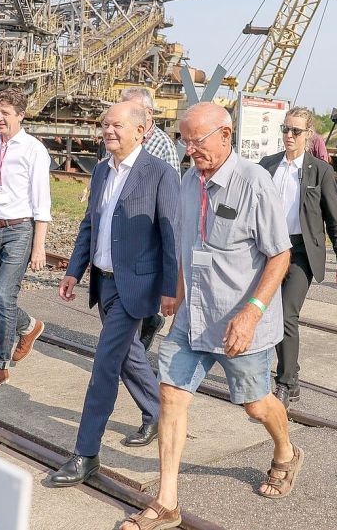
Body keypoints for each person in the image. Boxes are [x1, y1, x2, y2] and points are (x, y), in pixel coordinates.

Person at [121, 102, 298, 530]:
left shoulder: (254, 183)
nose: (190, 149)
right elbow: (187, 244)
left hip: (239, 320)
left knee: (255, 406)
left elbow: (280, 254)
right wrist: (176, 292)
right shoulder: (187, 182)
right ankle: (167, 502)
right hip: (193, 315)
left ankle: (286, 452)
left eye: (198, 140)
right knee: (172, 396)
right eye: (185, 140)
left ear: (226, 134)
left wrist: (252, 314)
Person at [49, 102, 180, 486]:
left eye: (117, 125)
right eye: (105, 124)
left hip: (136, 286)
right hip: (104, 283)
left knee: (105, 364)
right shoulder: (103, 170)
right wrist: (75, 270)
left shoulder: (160, 174)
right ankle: (159, 412)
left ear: (141, 131)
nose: (108, 131)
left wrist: (170, 289)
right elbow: (90, 224)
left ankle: (85, 453)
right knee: (128, 357)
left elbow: (171, 235)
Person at [260, 107, 337, 407]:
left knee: (287, 314)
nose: (289, 135)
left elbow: (333, 220)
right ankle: (291, 370)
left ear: (308, 134)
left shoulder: (320, 171)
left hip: (301, 254)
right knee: (266, 314)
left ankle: (286, 383)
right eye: (286, 129)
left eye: (296, 131)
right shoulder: (267, 165)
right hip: (270, 250)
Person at [0, 88, 51, 391]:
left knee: (4, 298)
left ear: (20, 115)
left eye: (5, 113)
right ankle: (29, 326)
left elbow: (42, 203)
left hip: (19, 231)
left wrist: (38, 246)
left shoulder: (34, 150)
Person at [120, 87, 181, 351]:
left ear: (149, 113)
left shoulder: (162, 145)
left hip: (148, 230)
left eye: (132, 111)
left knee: (139, 291)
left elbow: (171, 193)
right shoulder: (121, 137)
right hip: (124, 227)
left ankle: (139, 340)